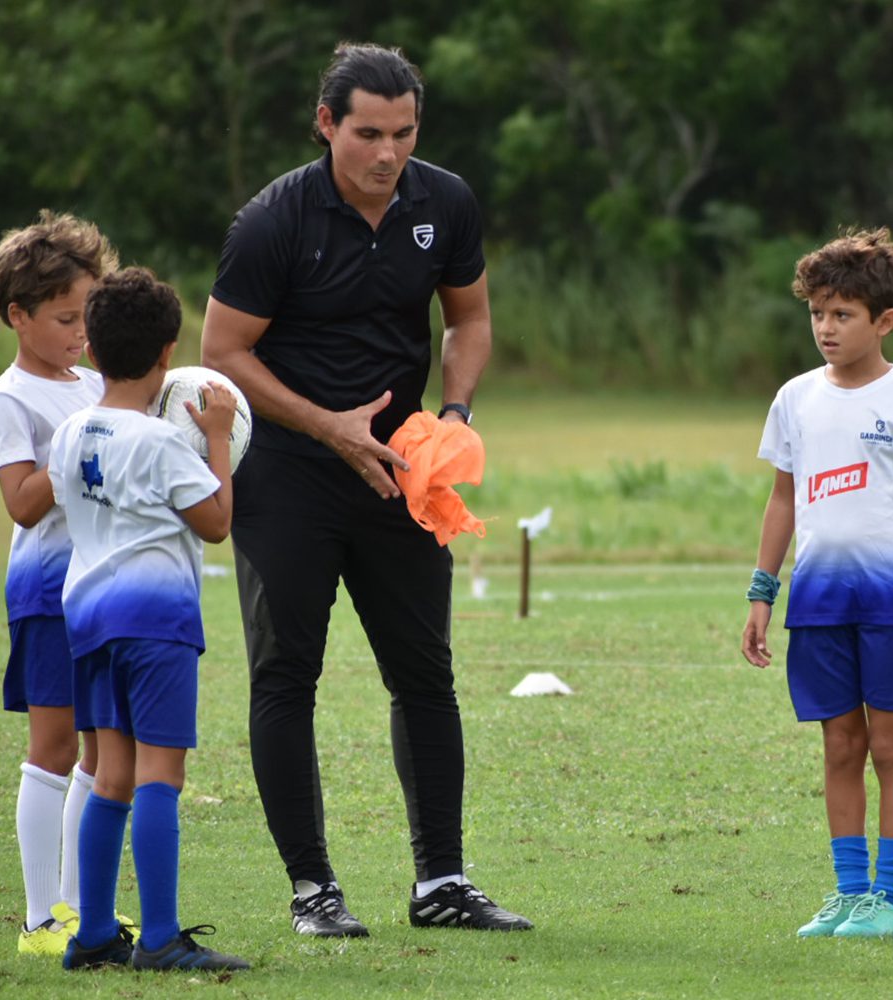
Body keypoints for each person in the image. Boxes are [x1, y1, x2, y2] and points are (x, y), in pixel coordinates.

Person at [199, 42, 530, 935]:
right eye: (368, 134)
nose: (388, 154)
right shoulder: (273, 220)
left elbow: (469, 317)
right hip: (287, 477)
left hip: (401, 478)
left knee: (426, 677)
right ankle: (314, 890)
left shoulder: (445, 201)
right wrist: (326, 425)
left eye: (404, 133)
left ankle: (442, 885)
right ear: (326, 125)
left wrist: (454, 413)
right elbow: (222, 354)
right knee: (286, 677)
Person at [741, 228, 893, 939]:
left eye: (843, 315)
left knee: (891, 746)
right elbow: (782, 499)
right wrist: (761, 590)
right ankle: (848, 895)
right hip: (818, 600)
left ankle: (889, 903)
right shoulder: (794, 399)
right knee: (840, 745)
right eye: (817, 313)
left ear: (884, 321)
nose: (826, 328)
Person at [50, 267, 250, 972]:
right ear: (170, 353)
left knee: (110, 776)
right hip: (157, 620)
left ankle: (95, 933)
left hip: (90, 616)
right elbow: (217, 522)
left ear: (94, 350)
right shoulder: (164, 443)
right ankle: (160, 939)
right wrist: (218, 438)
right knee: (162, 776)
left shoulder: (70, 431)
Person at [0, 210, 121, 955]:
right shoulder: (9, 399)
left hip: (102, 587)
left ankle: (81, 909)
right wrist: (85, 453)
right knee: (54, 746)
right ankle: (39, 919)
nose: (80, 331)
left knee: (102, 749)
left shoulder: (95, 382)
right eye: (66, 317)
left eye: (88, 315)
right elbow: (23, 501)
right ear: (19, 316)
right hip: (45, 592)